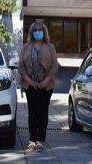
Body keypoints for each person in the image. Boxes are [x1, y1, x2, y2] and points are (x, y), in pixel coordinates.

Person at [18, 21, 59, 153]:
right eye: (35, 30)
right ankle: (32, 140)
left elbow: (54, 66)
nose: (38, 32)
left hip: (46, 86)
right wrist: (30, 82)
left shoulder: (50, 47)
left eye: (40, 30)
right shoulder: (26, 47)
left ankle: (40, 140)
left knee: (42, 112)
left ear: (44, 32)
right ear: (31, 32)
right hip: (30, 86)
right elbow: (21, 67)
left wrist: (45, 81)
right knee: (32, 113)